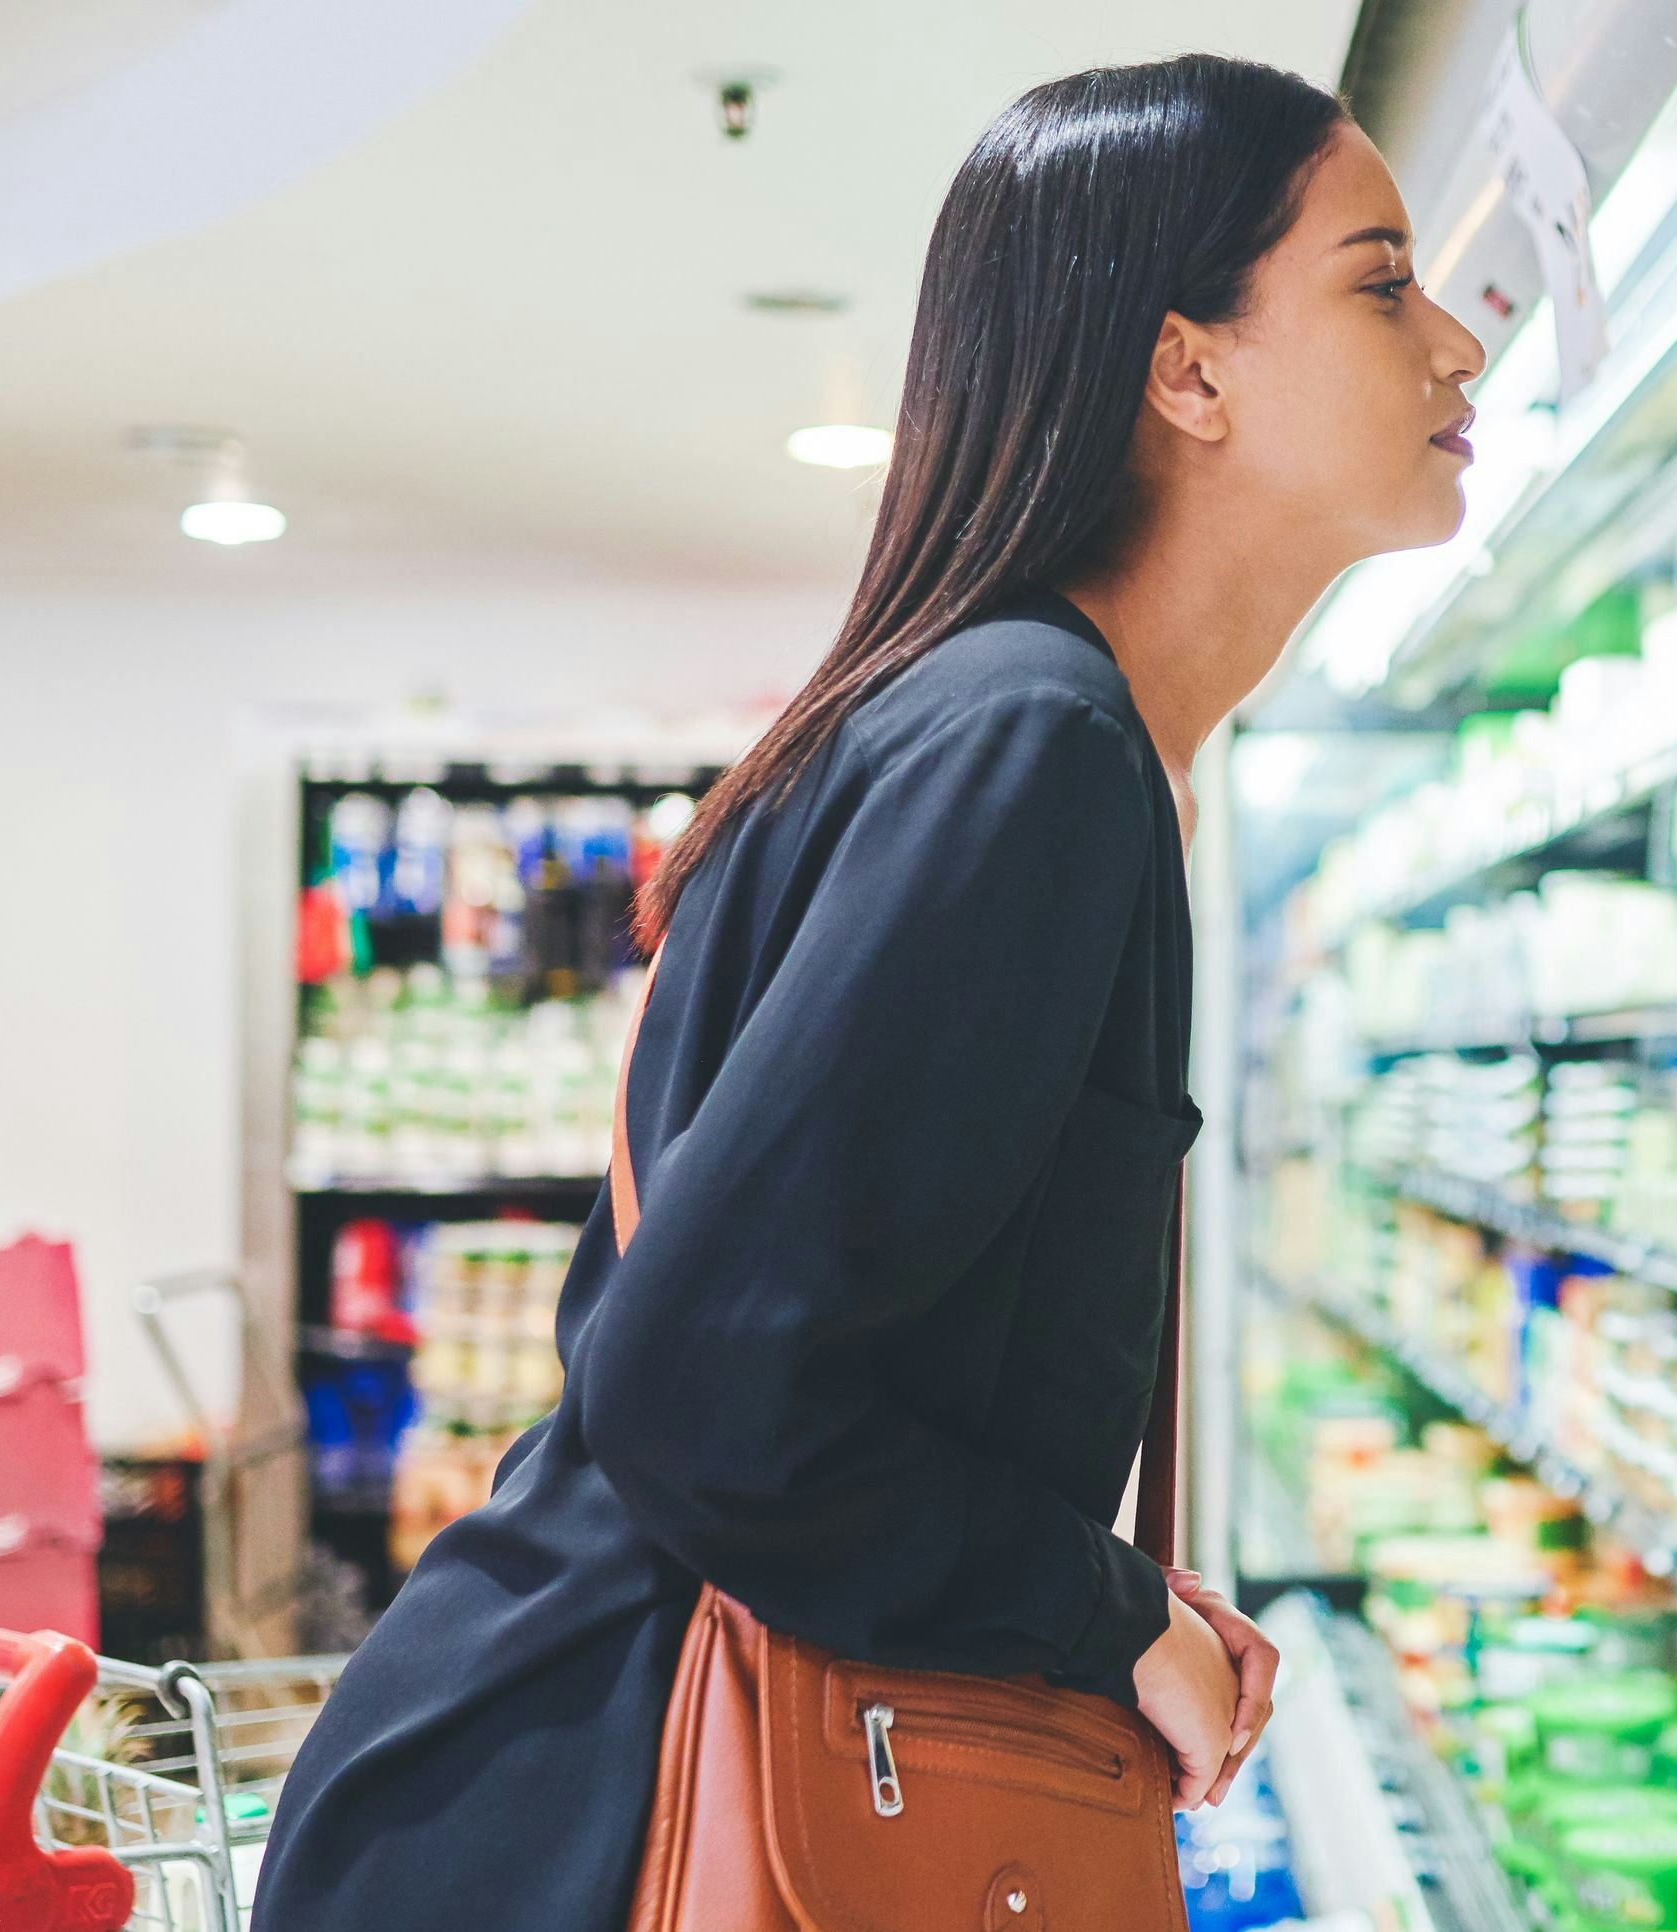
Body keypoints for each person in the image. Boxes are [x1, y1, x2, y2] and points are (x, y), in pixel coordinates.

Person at [250, 53, 1483, 1926]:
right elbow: (703, 1395)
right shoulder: (1033, 743)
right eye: (1382, 281)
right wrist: (1104, 1608)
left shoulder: (1009, 722)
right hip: (611, 1825)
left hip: (554, 1776)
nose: (1460, 343)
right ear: (1189, 369)